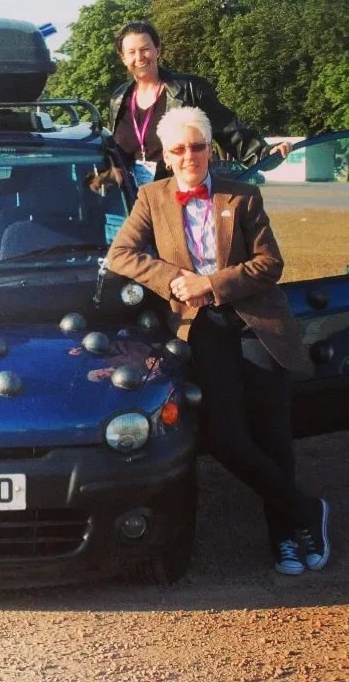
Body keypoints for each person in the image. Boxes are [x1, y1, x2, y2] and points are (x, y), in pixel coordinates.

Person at [107, 106, 329, 576]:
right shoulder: (151, 197)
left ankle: (286, 537)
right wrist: (173, 279)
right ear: (164, 154)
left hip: (256, 324)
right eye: (179, 149)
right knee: (226, 437)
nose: (190, 156)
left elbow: (271, 265)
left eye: (198, 146)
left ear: (212, 148)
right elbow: (121, 254)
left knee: (274, 438)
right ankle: (306, 508)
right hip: (202, 329)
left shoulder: (243, 195)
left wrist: (211, 283)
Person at [110, 19, 290, 185]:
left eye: (145, 49)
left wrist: (264, 154)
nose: (139, 57)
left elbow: (229, 130)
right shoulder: (118, 99)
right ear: (123, 58)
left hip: (179, 194)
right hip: (134, 201)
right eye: (131, 52)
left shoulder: (190, 90)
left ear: (158, 50)